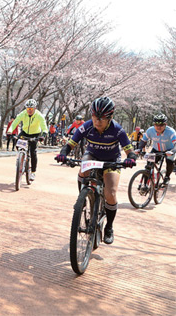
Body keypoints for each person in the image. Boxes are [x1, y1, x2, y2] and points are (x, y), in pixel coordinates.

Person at [55, 97, 137, 244]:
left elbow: (129, 150)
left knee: (110, 193)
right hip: (92, 155)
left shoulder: (118, 130)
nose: (97, 121)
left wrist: (130, 158)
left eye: (102, 118)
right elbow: (70, 144)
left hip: (111, 160)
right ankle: (83, 198)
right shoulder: (86, 126)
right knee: (83, 171)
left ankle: (109, 227)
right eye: (95, 116)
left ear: (110, 117)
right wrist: (63, 154)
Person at [7, 99, 48, 181]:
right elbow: (15, 122)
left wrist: (43, 135)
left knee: (33, 153)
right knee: (18, 144)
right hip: (25, 132)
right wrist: (10, 130)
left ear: (35, 108)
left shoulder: (39, 115)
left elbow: (44, 127)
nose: (29, 111)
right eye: (28, 109)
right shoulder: (23, 113)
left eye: (31, 109)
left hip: (35, 134)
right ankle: (21, 159)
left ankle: (33, 172)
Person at [136, 114, 176, 184]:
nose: (158, 127)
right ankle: (145, 185)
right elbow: (143, 141)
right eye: (156, 125)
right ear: (154, 124)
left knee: (170, 161)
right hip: (156, 150)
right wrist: (139, 149)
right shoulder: (150, 130)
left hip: (169, 150)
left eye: (161, 125)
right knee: (148, 166)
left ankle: (167, 177)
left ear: (165, 124)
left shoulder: (171, 132)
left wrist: (172, 152)